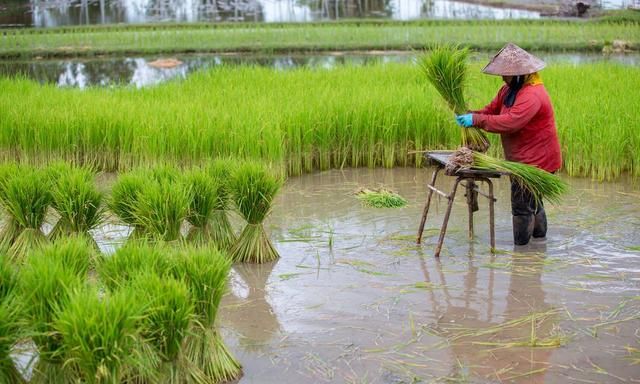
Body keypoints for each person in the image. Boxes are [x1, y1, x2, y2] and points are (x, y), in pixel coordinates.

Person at [455, 43, 562, 246]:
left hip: (535, 162)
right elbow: (492, 110)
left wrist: (475, 120)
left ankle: (521, 255)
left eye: (507, 74)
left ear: (521, 74)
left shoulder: (532, 94)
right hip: (524, 159)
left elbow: (511, 122)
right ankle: (539, 247)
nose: (503, 78)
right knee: (534, 204)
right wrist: (469, 113)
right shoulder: (508, 90)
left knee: (522, 207)